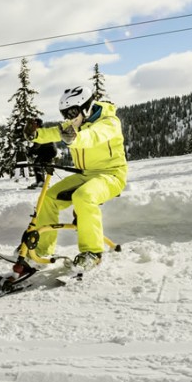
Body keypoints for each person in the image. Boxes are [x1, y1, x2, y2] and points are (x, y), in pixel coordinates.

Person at [23, 86, 127, 270]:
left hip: (111, 175)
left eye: (72, 112)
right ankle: (42, 250)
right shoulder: (75, 124)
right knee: (48, 197)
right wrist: (35, 135)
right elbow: (55, 132)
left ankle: (92, 253)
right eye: (65, 114)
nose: (69, 118)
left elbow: (93, 136)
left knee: (83, 197)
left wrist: (74, 138)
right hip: (85, 174)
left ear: (86, 106)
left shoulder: (109, 121)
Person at [26, 117, 58, 189]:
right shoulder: (39, 131)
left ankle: (42, 182)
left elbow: (37, 145)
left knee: (38, 164)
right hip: (45, 150)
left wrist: (31, 151)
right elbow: (37, 146)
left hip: (49, 150)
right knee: (37, 164)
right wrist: (31, 151)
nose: (33, 126)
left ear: (37, 124)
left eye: (34, 124)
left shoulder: (39, 132)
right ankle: (39, 181)